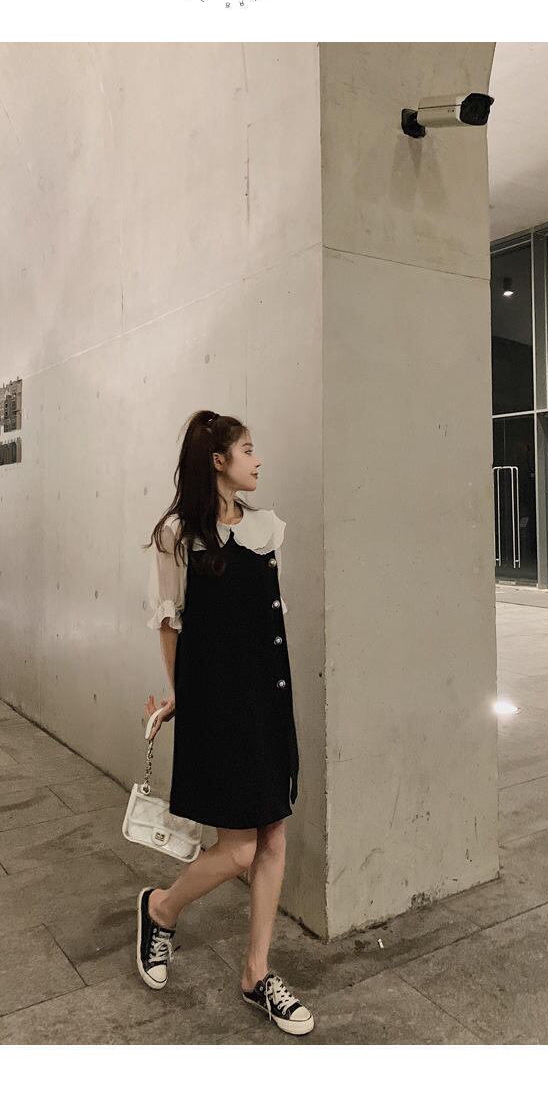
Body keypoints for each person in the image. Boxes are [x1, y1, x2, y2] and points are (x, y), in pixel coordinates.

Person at [136, 409, 313, 1036]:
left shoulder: (265, 528)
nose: (258, 460)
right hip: (218, 705)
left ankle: (256, 973)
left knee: (273, 838)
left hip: (269, 697)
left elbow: (269, 618)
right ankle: (160, 909)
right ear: (218, 460)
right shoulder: (178, 535)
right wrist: (178, 695)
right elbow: (170, 622)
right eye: (248, 449)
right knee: (238, 850)